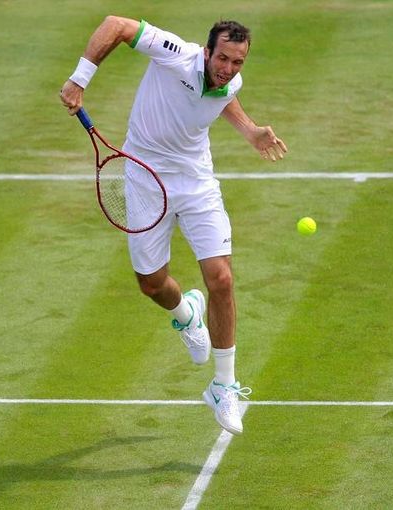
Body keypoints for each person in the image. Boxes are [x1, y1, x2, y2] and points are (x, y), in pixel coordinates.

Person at [60, 16, 287, 435]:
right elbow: (116, 26)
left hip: (197, 182)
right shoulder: (174, 53)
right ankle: (187, 314)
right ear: (206, 51)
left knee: (221, 279)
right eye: (222, 58)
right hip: (145, 177)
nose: (228, 68)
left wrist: (251, 131)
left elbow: (223, 98)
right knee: (151, 283)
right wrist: (79, 78)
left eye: (238, 62)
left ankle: (224, 386)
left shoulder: (230, 81)